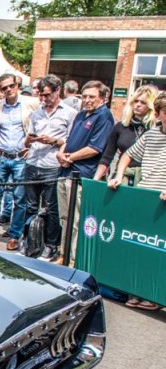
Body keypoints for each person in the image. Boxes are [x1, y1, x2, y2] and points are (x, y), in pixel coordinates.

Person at [108, 91, 166, 309]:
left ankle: (155, 296)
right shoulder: (151, 135)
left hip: (164, 198)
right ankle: (137, 291)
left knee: (159, 250)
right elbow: (126, 155)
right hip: (145, 196)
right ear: (159, 114)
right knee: (140, 247)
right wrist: (118, 175)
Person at [56, 80, 115, 264]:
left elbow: (96, 148)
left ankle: (74, 257)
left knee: (77, 220)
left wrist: (70, 157)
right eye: (85, 96)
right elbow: (69, 138)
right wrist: (61, 153)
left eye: (92, 97)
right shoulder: (81, 115)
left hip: (82, 174)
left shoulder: (104, 116)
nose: (87, 100)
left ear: (103, 98)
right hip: (65, 171)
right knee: (64, 217)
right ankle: (63, 254)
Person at [0, 73, 38, 250]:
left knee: (19, 199)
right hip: (0, 156)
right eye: (4, 88)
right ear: (0, 90)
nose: (8, 90)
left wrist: (31, 148)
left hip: (20, 157)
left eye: (11, 86)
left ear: (17, 85)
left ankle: (14, 235)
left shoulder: (30, 104)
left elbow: (37, 127)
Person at [22, 74, 77, 262]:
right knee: (30, 205)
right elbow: (27, 139)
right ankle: (29, 241)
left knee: (52, 208)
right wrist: (30, 139)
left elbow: (71, 140)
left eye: (47, 95)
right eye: (41, 96)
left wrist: (55, 141)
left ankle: (51, 245)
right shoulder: (37, 113)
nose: (43, 99)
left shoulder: (69, 113)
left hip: (52, 164)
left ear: (57, 91)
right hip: (33, 161)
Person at [96, 85, 158, 186]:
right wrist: (96, 178)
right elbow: (107, 156)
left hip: (147, 179)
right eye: (136, 101)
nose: (137, 105)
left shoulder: (156, 129)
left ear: (151, 106)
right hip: (121, 176)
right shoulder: (121, 126)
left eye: (143, 102)